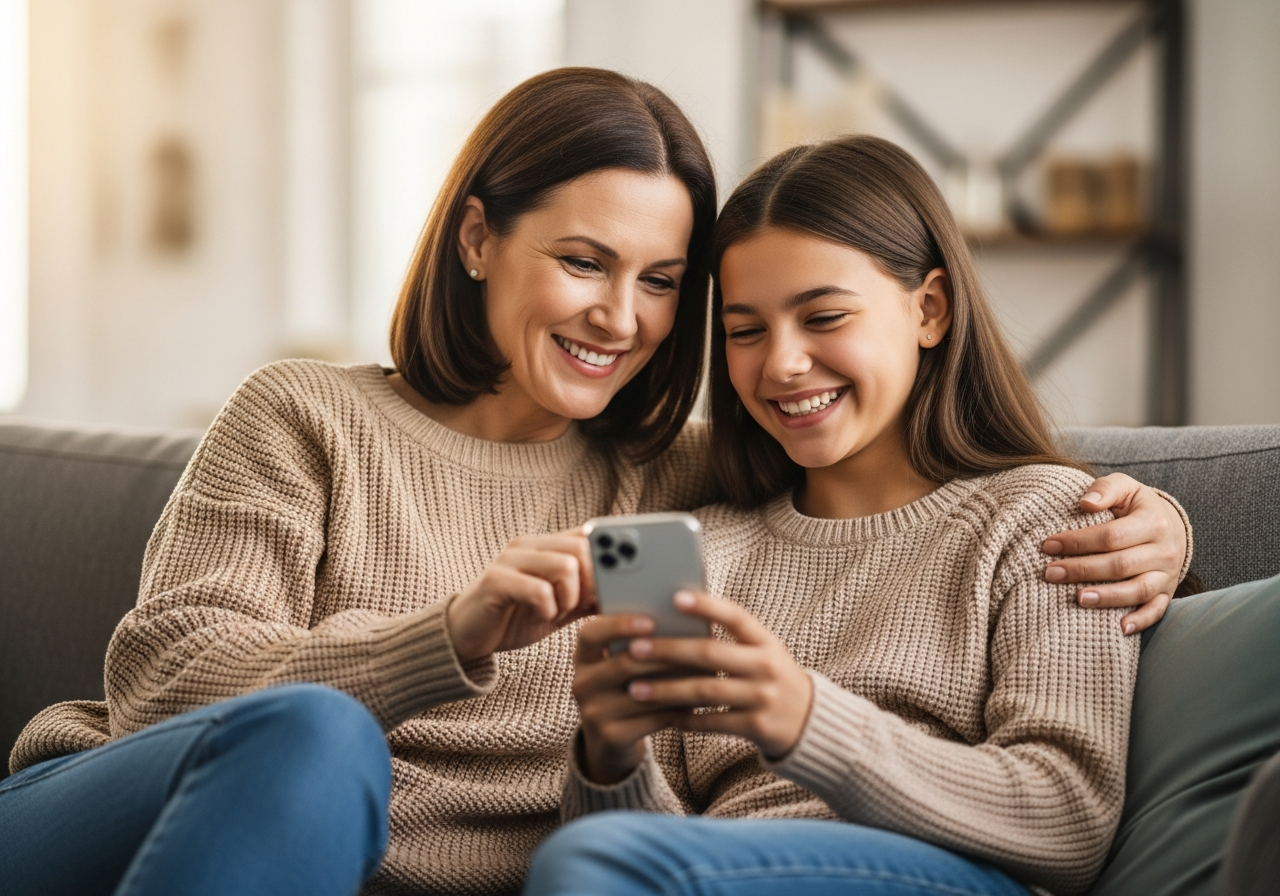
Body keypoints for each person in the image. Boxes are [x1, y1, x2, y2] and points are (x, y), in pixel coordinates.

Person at [0, 71, 1184, 896]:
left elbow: (887, 481)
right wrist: (443, 632)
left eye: (663, 280)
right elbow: (160, 679)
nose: (620, 317)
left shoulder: (683, 494)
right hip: (135, 810)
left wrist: (1152, 520)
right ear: (476, 240)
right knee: (315, 737)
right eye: (582, 260)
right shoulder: (306, 413)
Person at [528, 135, 1194, 896]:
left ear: (930, 310)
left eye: (824, 316)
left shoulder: (1045, 520)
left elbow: (1067, 816)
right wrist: (611, 756)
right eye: (746, 331)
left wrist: (810, 722)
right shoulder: (705, 548)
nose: (780, 363)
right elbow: (650, 843)